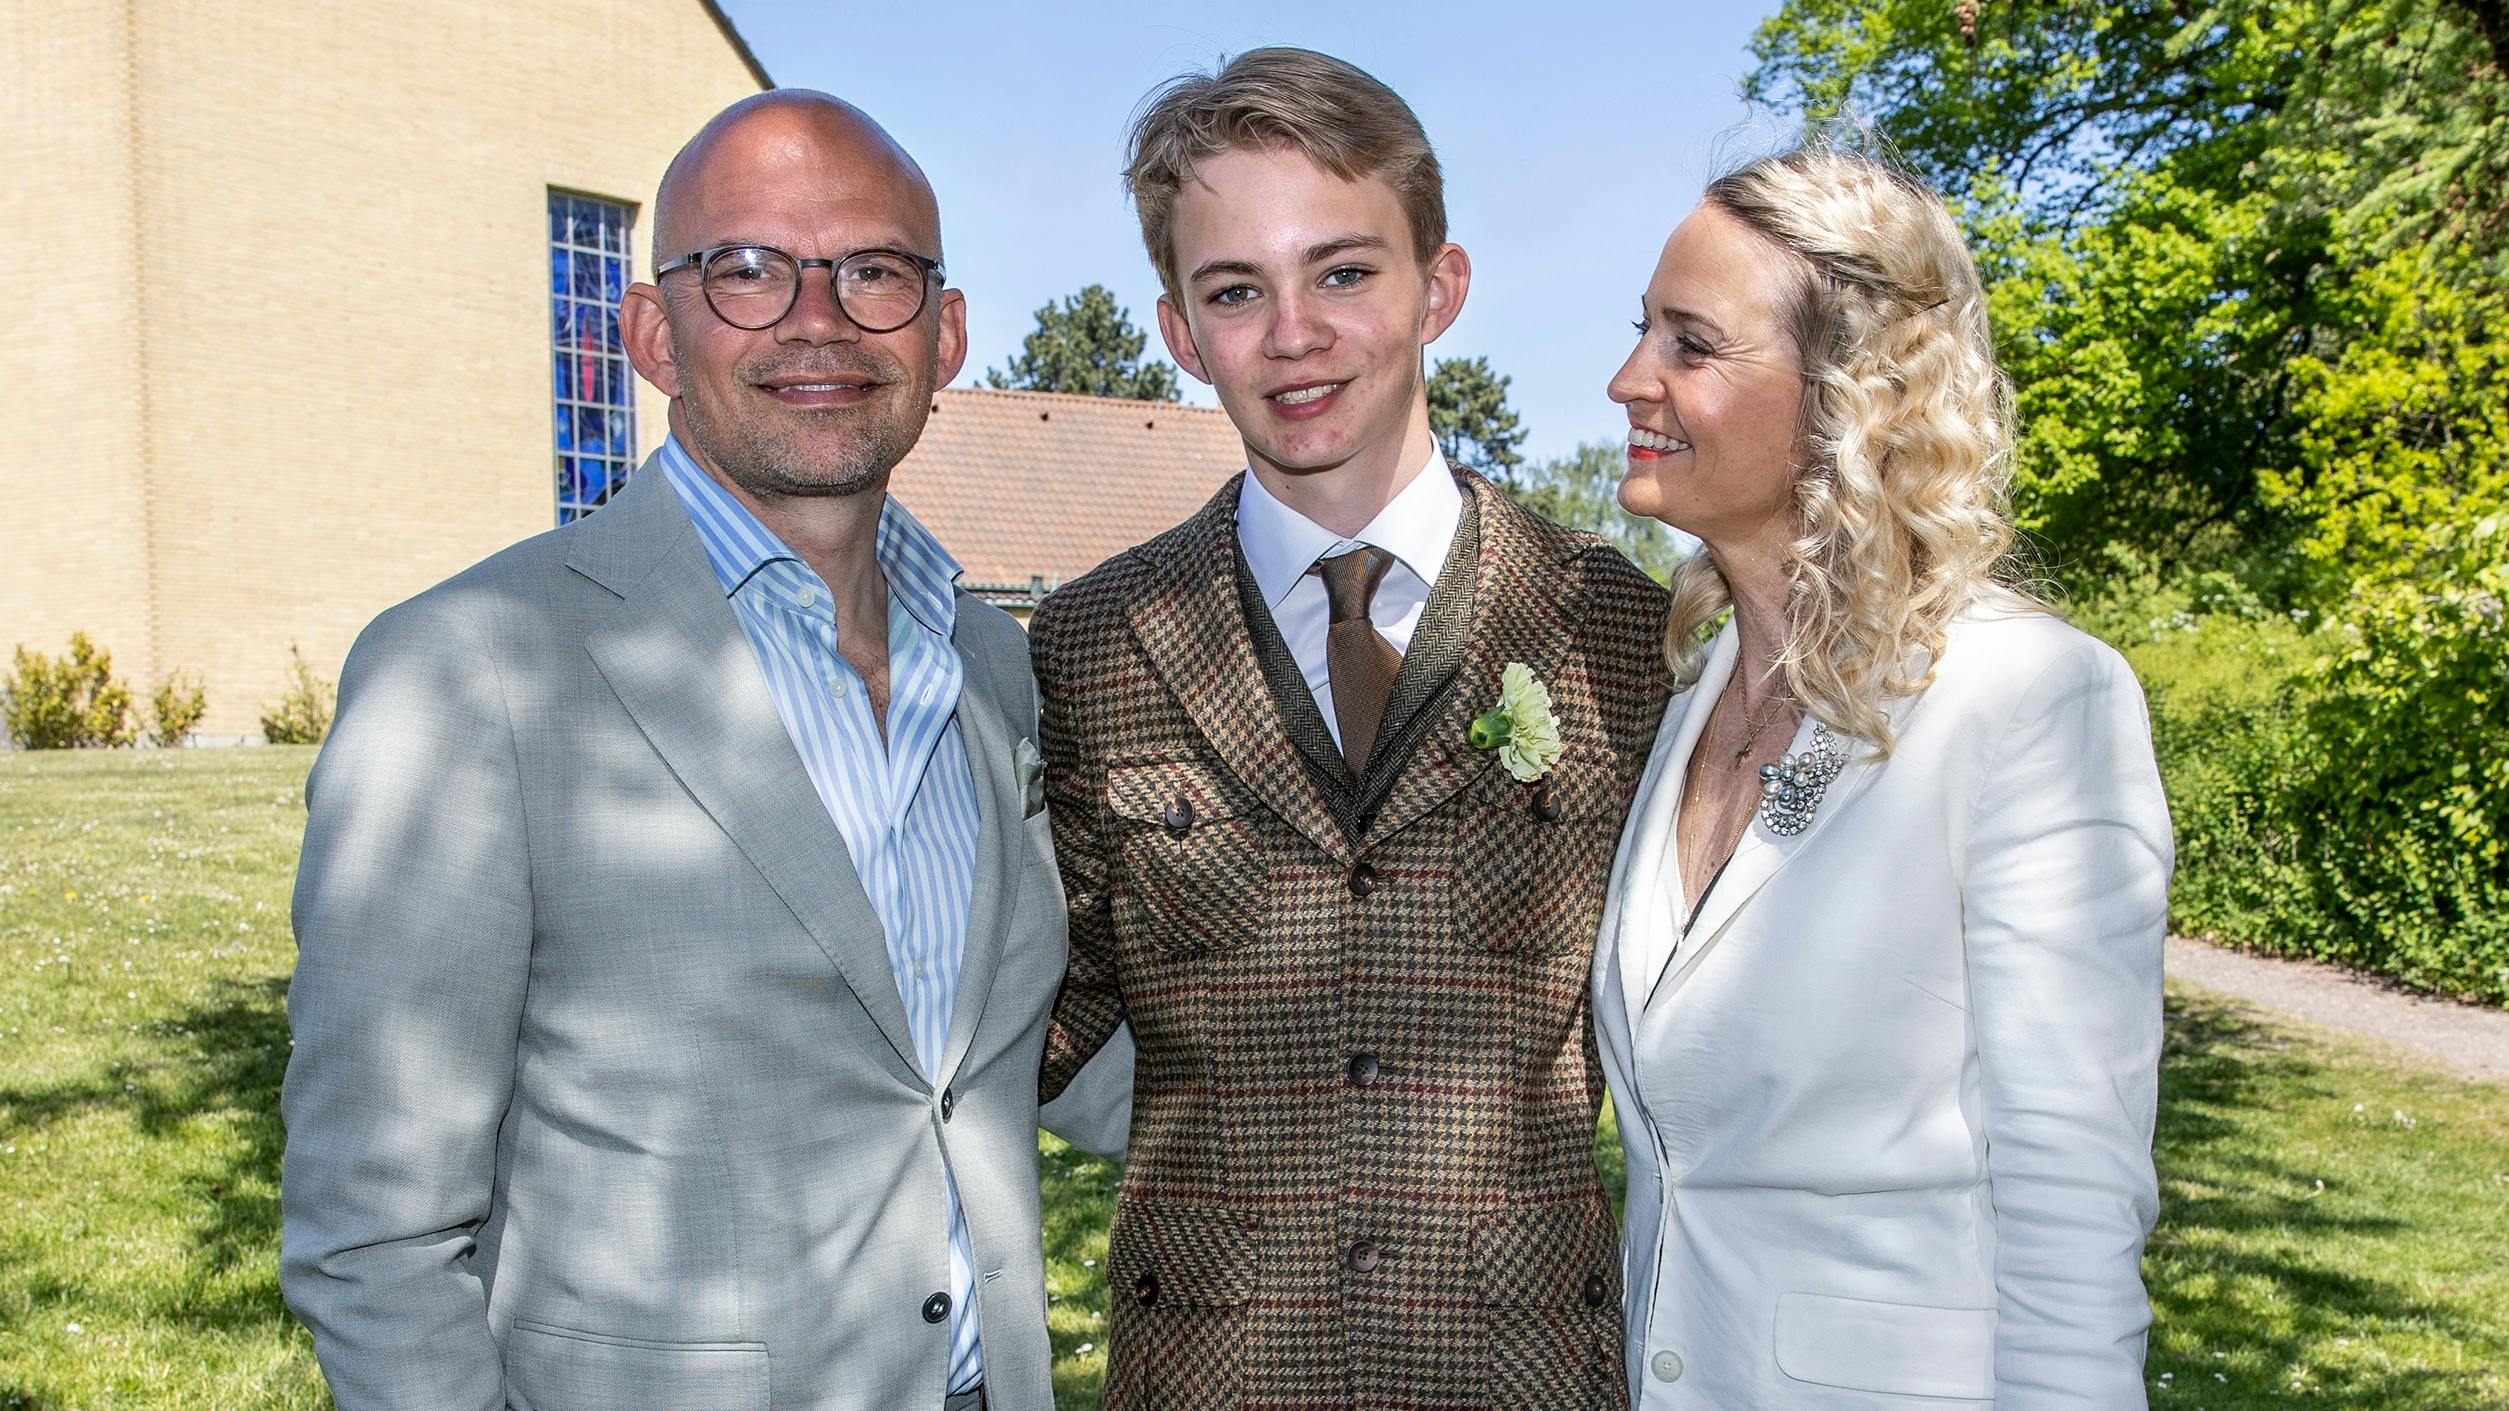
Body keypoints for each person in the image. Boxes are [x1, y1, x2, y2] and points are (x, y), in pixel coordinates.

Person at [280, 91, 1124, 1411]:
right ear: (651, 333)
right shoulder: (470, 671)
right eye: (744, 269)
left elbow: (1022, 1047)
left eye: (875, 270)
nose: (818, 317)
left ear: (945, 332)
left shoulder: (998, 666)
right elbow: (373, 1234)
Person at [1029, 47, 1671, 1411]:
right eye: (1234, 291)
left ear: (1439, 286)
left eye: (1342, 271)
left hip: (1525, 1366)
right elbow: (1036, 1001)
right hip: (1211, 1367)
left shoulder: (1613, 628)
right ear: (1178, 333)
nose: (1293, 333)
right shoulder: (1093, 642)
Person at [1593, 140, 2176, 1410]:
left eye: (1690, 346)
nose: (1628, 379)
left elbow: (2073, 1203)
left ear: (1850, 392)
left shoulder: (2029, 702)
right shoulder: (1684, 700)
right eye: (1641, 332)